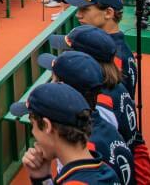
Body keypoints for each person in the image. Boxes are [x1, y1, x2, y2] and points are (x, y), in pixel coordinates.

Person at [37, 51, 135, 184]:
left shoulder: (87, 148)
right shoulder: (107, 131)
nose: (51, 85)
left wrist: (41, 180)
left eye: (55, 81)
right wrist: (43, 178)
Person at [12, 83, 122, 184]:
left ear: (47, 126)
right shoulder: (107, 171)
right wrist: (42, 177)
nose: (33, 132)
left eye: (33, 125)